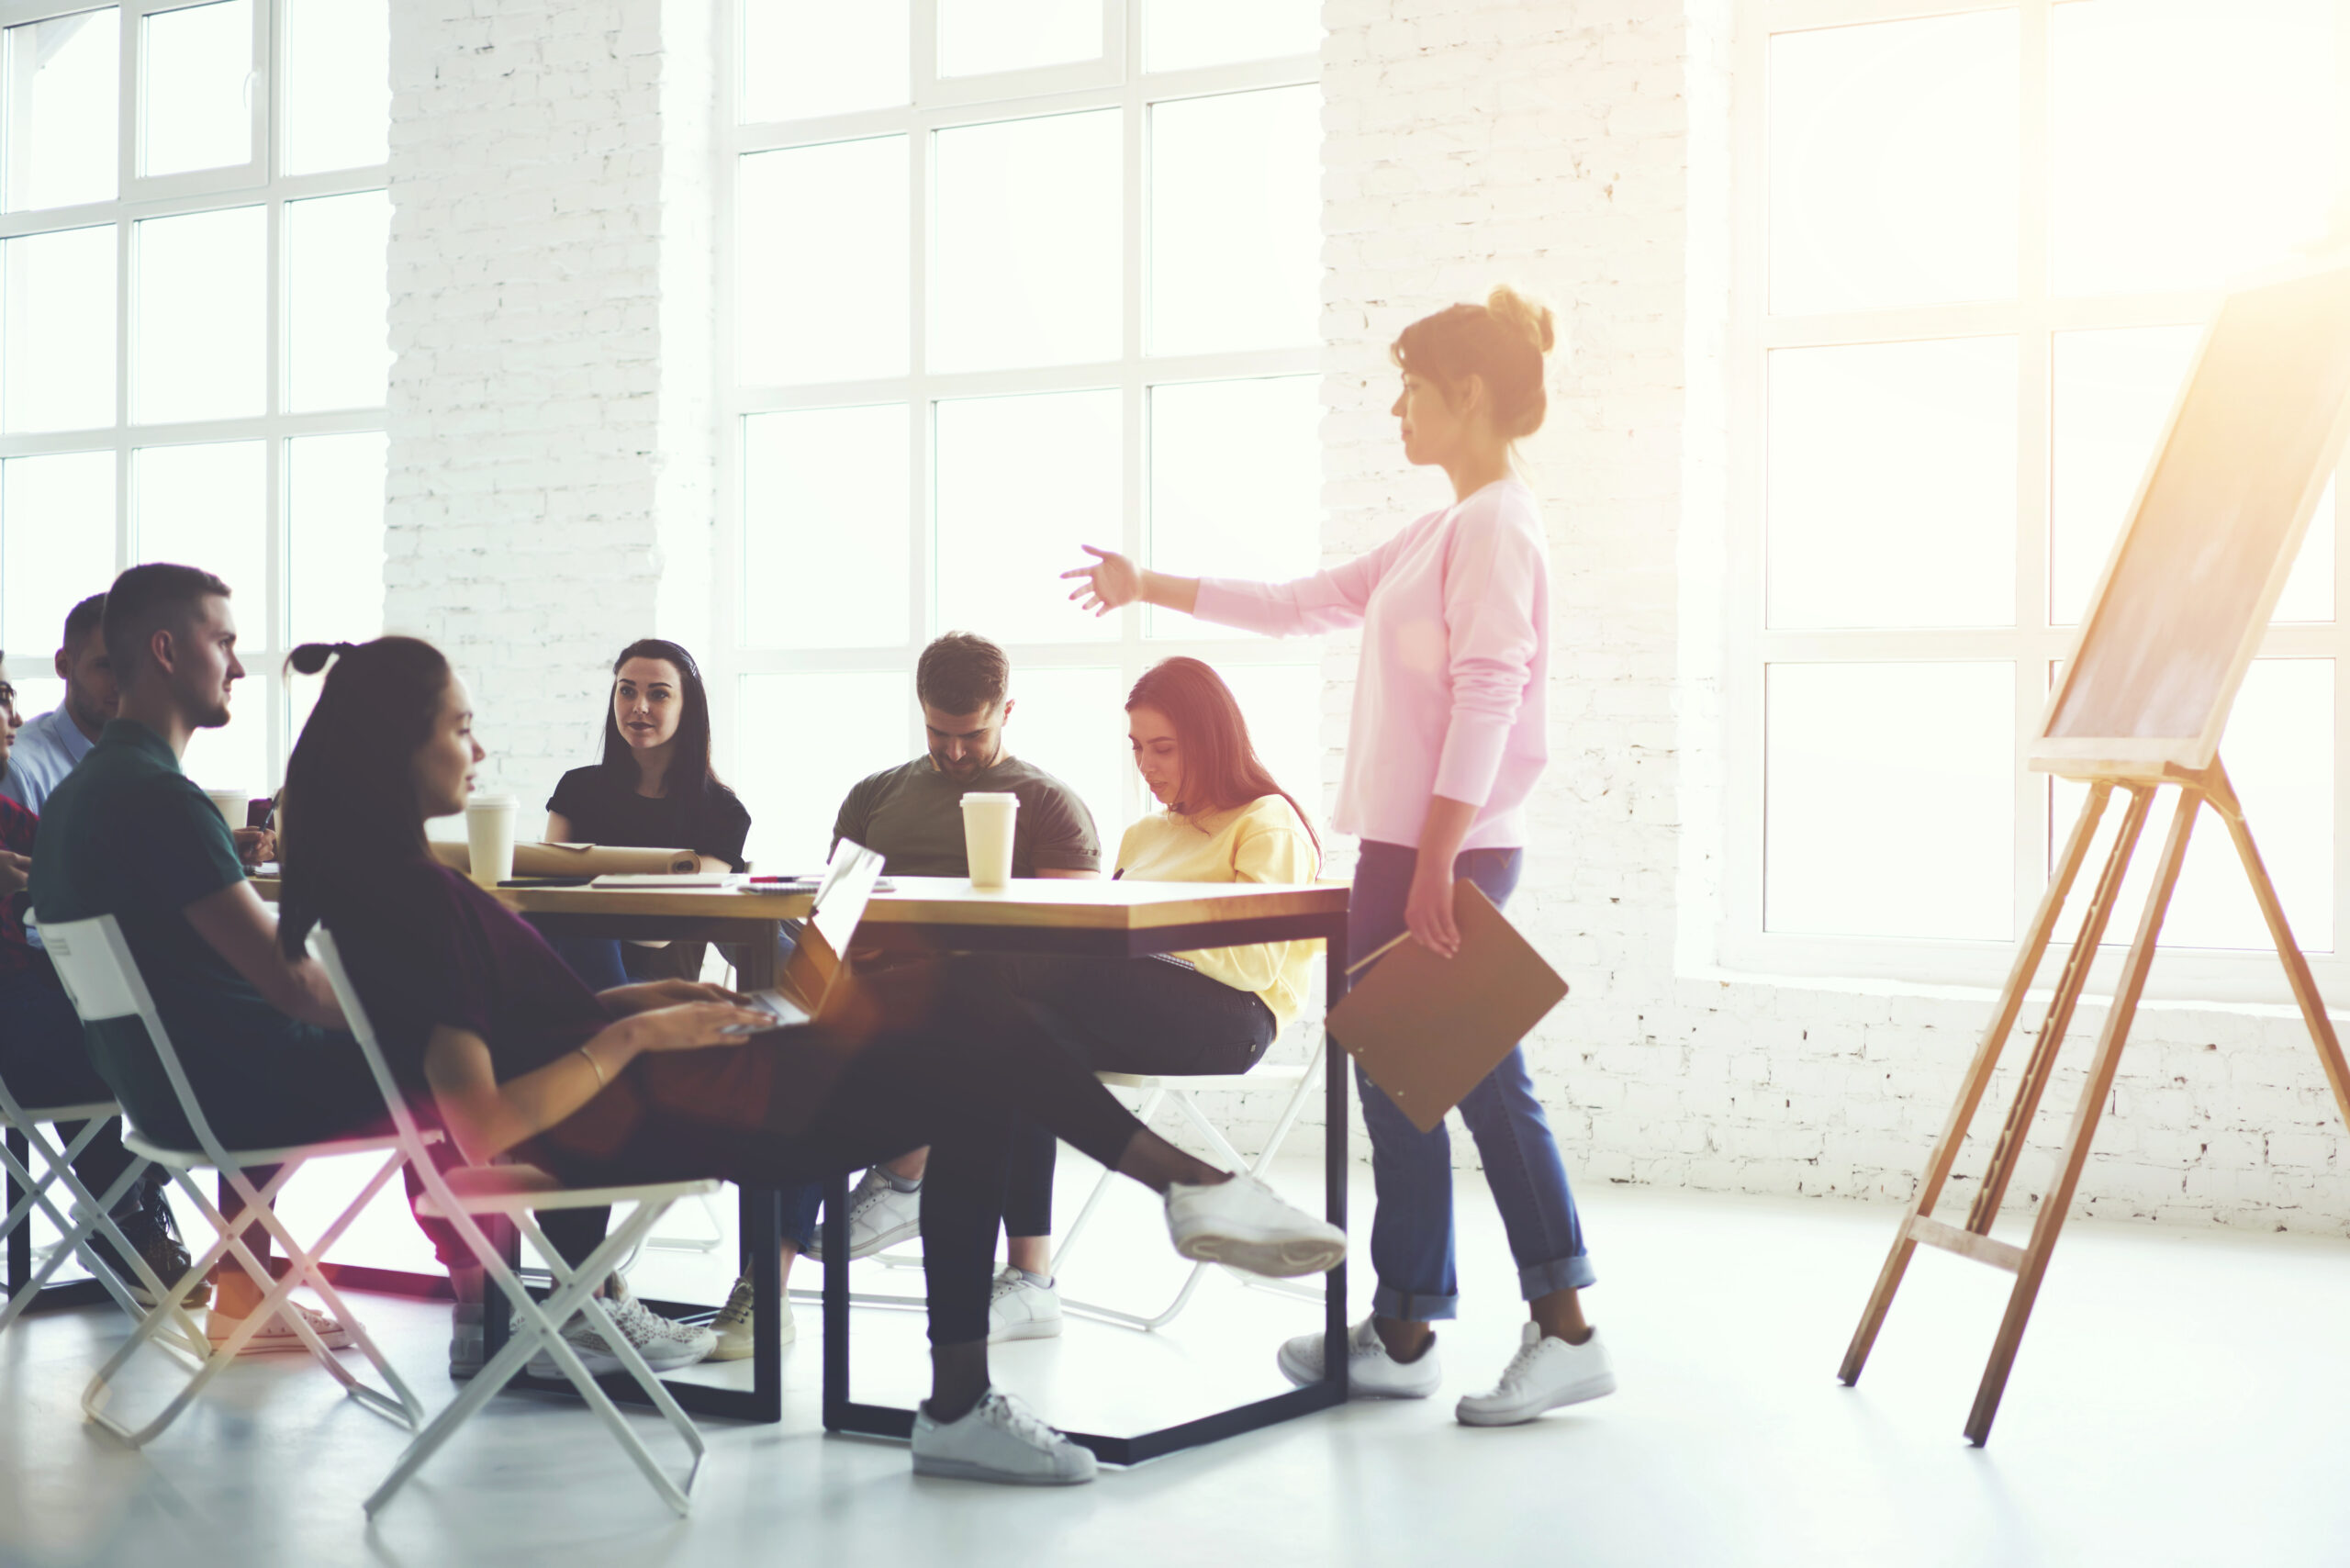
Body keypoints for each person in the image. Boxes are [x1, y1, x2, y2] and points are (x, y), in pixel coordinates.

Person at [274, 633, 1348, 1486]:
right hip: (671, 1111)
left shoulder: (413, 885)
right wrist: (635, 1034)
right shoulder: (410, 906)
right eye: (460, 727)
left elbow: (521, 1019)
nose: (478, 749)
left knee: (971, 1028)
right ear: (394, 748)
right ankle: (1163, 1213)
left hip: (681, 1079)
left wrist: (646, 996)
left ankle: (991, 1378)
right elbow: (483, 1126)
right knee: (975, 1022)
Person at [1062, 286, 1617, 1427]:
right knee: (1402, 1091)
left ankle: (1566, 1329)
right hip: (1411, 850)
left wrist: (1434, 861)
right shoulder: (1440, 529)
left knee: (1477, 1087)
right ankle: (1405, 1324)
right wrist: (1144, 584)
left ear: (1465, 395)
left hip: (1442, 854)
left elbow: (1490, 693)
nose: (1397, 410)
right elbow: (1301, 605)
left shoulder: (1501, 523)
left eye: (1411, 388)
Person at [25, 569, 710, 1375]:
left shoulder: (81, 795)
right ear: (168, 652)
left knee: (488, 1030)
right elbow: (295, 987)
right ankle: (559, 1308)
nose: (239, 667)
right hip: (238, 1095)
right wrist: (464, 999)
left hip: (163, 1095)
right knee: (492, 1058)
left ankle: (507, 1307)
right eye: (224, 643)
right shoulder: (160, 801)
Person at [709, 632, 1102, 1360]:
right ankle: (768, 1288)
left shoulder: (1048, 804)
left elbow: (1064, 950)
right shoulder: (876, 795)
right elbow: (835, 917)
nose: (953, 752)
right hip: (864, 993)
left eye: (972, 735)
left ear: (1007, 710)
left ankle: (901, 1171)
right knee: (776, 993)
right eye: (938, 733)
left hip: (967, 1005)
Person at [982, 656, 1322, 1341]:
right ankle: (1032, 1278)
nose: (1147, 764)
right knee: (1009, 1038)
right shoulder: (1145, 833)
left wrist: (1139, 933)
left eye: (1163, 747)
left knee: (1003, 973)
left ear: (1212, 739)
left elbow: (1255, 961)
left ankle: (909, 1164)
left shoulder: (1265, 821)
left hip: (1231, 1017)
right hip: (1133, 1001)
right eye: (1137, 747)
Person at [0, 651, 199, 1309]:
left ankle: (137, 1212)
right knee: (110, 1034)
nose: (14, 720)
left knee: (124, 1020)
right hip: (16, 1013)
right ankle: (133, 1222)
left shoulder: (12, 810)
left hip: (32, 998)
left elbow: (67, 861)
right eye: (2, 703)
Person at [539, 639, 752, 989]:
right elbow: (548, 897)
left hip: (656, 989)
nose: (638, 707)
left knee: (580, 920)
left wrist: (584, 898)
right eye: (626, 691)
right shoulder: (576, 789)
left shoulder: (723, 812)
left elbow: (663, 927)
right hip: (566, 972)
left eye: (659, 694)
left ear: (688, 707)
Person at [0, 594, 116, 812]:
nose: (121, 682)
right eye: (105, 665)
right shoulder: (18, 771)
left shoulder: (155, 763)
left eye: (130, 666)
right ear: (63, 665)